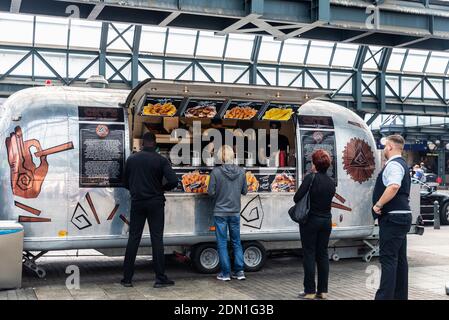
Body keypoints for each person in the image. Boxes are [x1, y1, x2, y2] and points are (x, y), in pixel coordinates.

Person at [121, 132, 179, 288]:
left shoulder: (132, 159)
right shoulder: (161, 160)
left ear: (142, 143)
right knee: (156, 239)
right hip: (155, 203)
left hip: (137, 203)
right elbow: (174, 181)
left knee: (133, 238)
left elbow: (125, 182)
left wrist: (135, 190)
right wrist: (161, 188)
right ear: (155, 143)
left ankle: (127, 278)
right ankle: (160, 279)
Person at [372, 135, 412, 300]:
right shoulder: (403, 164)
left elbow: (394, 186)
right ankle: (399, 296)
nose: (383, 150)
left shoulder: (394, 165)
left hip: (393, 218)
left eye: (385, 147)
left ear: (389, 147)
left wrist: (378, 205)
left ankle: (384, 298)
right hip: (403, 217)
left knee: (388, 259)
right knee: (400, 260)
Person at [294, 149, 336, 300]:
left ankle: (310, 290)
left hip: (311, 221)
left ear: (315, 164)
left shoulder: (310, 178)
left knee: (309, 254)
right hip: (326, 221)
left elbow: (296, 197)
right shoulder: (331, 182)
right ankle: (323, 291)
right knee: (323, 254)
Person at [207, 145, 248, 281]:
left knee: (222, 243)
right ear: (233, 155)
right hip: (235, 211)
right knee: (236, 241)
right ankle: (239, 271)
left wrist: (219, 193)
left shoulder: (216, 172)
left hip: (220, 212)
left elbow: (210, 192)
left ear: (220, 157)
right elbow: (244, 191)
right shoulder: (241, 172)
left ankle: (225, 273)